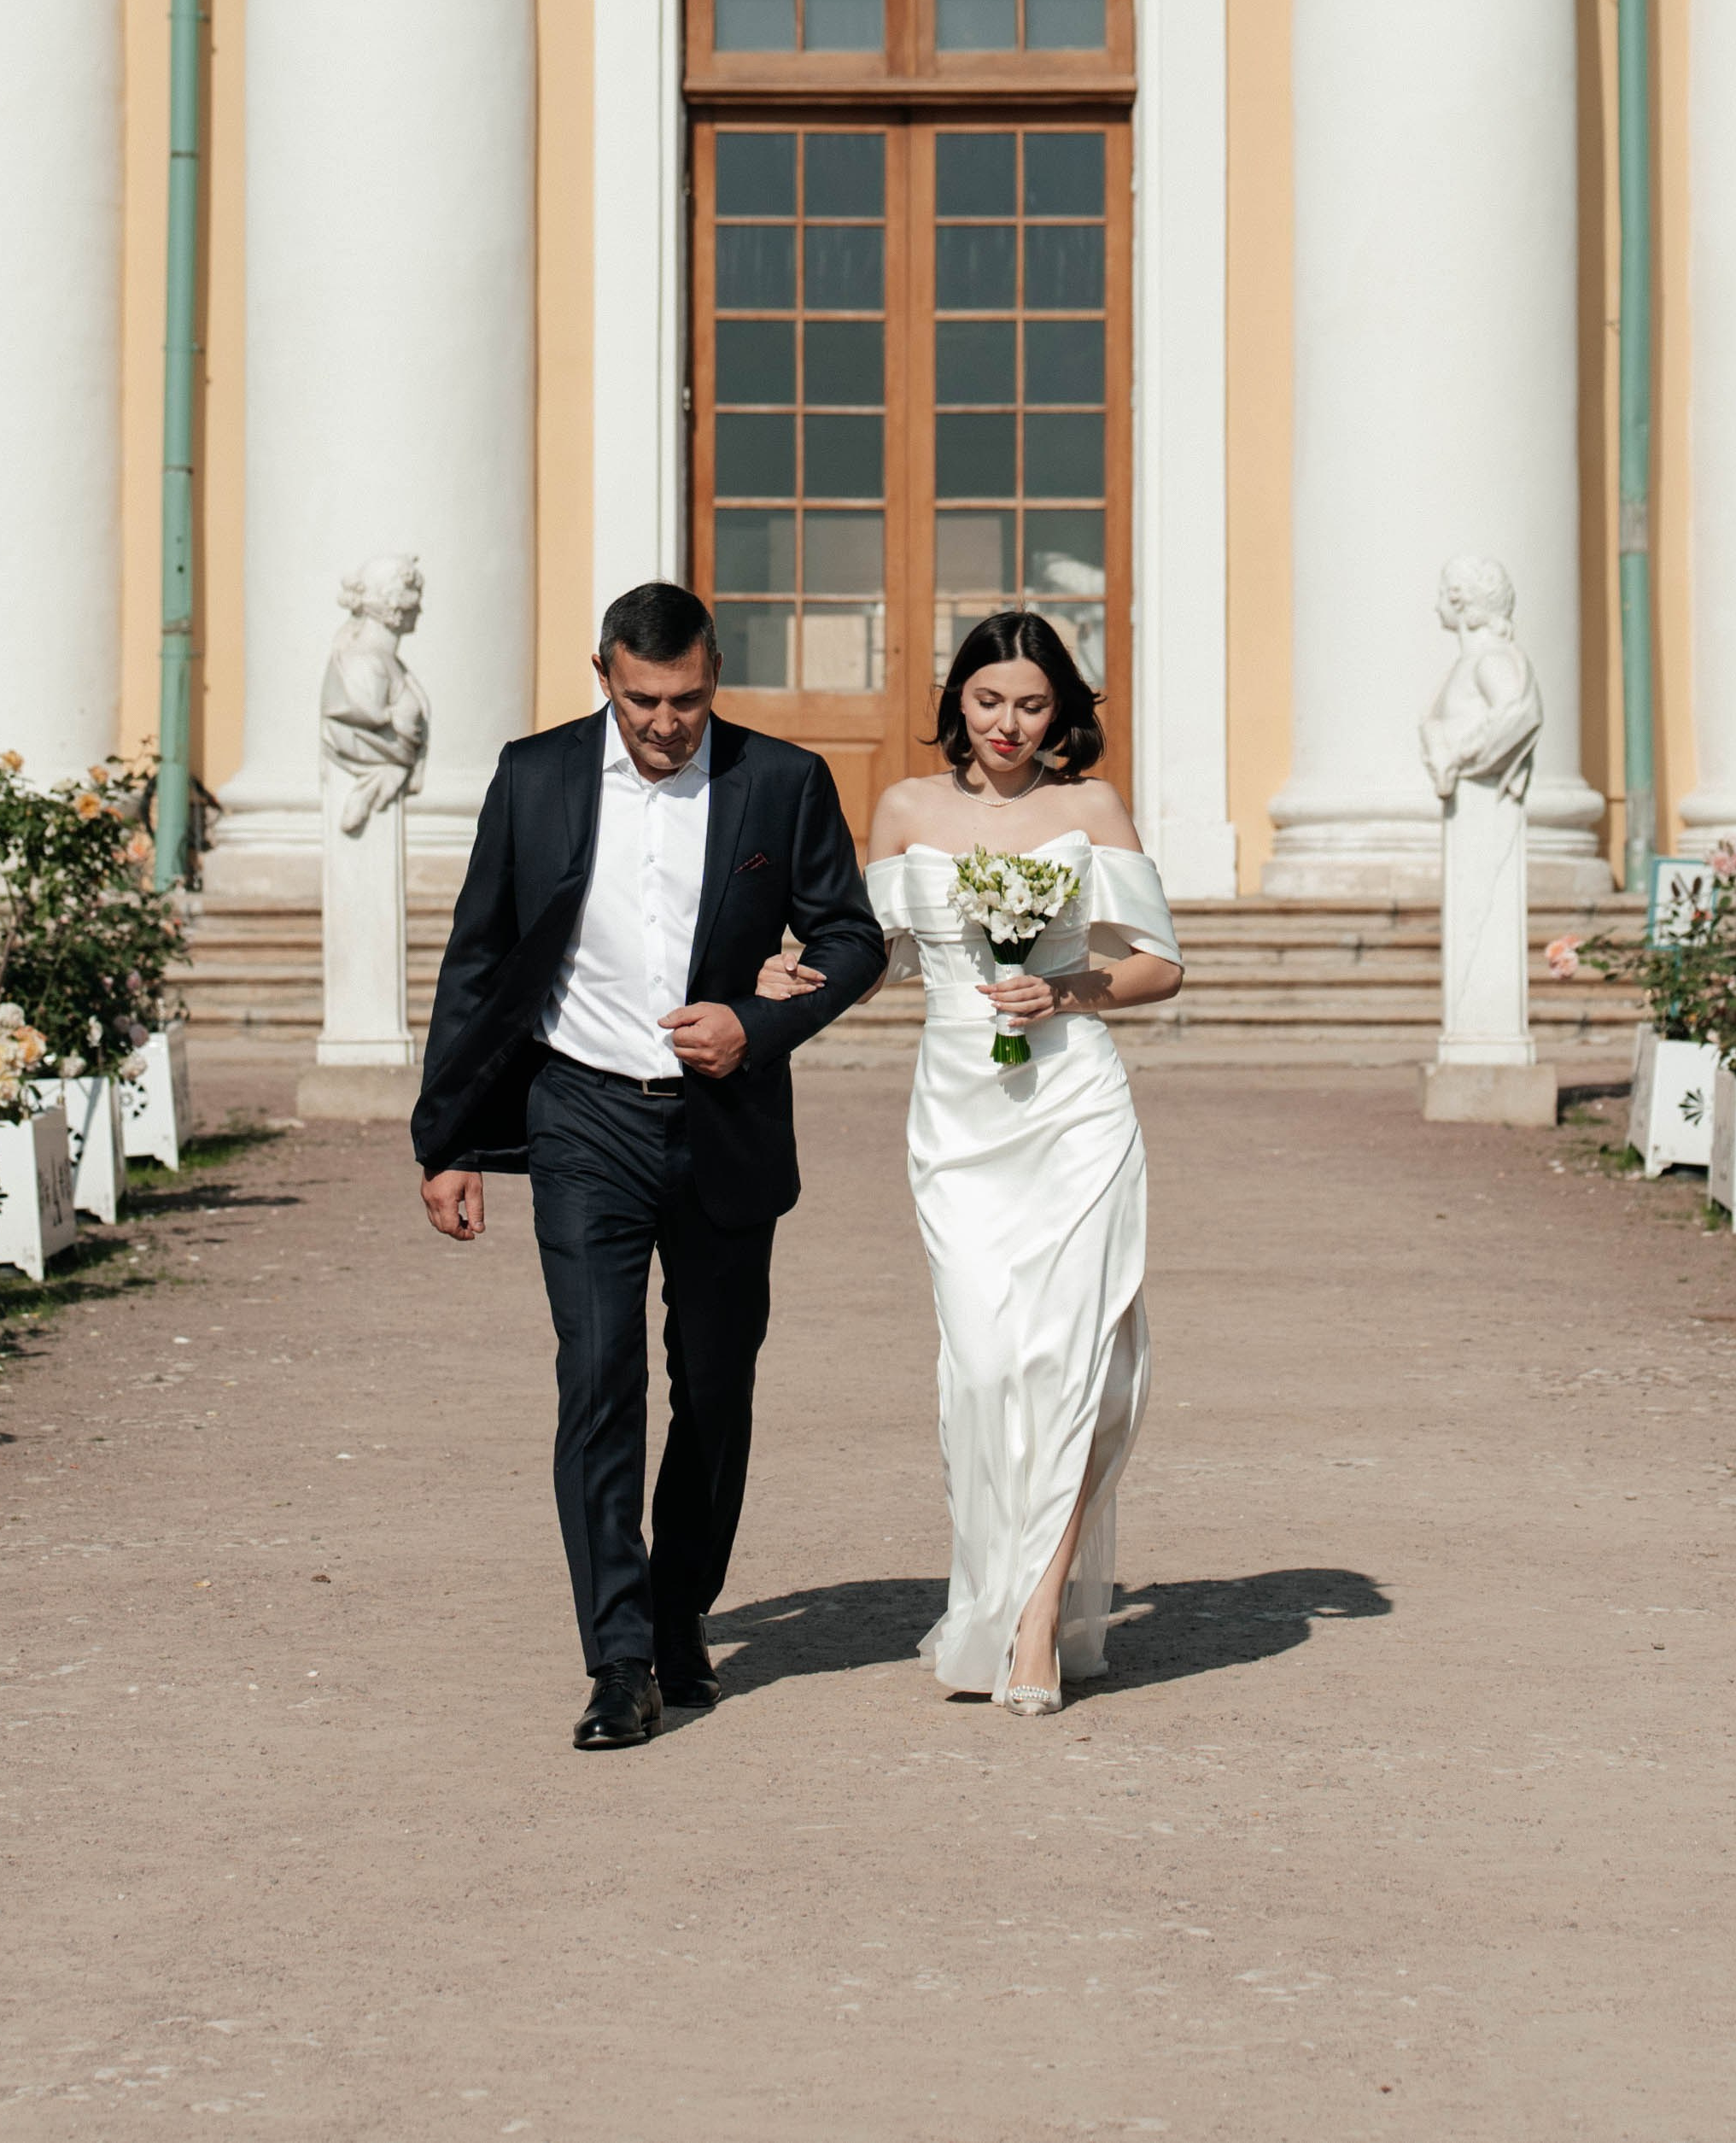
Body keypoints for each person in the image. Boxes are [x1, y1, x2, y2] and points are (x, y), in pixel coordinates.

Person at [410, 582, 885, 1752]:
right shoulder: (537, 777)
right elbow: (479, 957)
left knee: (715, 1391)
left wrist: (754, 1023)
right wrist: (450, 1138)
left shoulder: (781, 779)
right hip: (582, 1119)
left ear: (715, 675)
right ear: (603, 675)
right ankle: (619, 1658)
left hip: (724, 1127)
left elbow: (852, 936)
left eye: (686, 699)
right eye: (642, 700)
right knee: (599, 1377)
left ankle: (681, 1612)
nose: (666, 723)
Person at [758, 610, 1182, 1716]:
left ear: (1063, 714)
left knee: (1077, 1360)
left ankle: (1036, 1621)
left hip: (1074, 1104)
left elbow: (1158, 967)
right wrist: (790, 977)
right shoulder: (905, 808)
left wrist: (1070, 986)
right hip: (958, 1113)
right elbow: (878, 954)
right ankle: (990, 1589)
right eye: (990, 701)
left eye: (1033, 704)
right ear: (957, 701)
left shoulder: (1088, 809)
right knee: (987, 1365)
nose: (1009, 723)